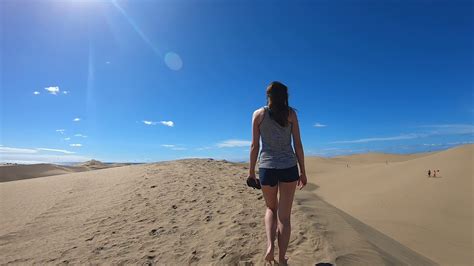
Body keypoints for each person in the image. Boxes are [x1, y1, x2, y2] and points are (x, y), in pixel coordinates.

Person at [248, 81, 307, 265]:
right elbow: (297, 144)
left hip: (267, 168)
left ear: (268, 96)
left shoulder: (258, 114)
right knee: (285, 217)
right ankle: (282, 258)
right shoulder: (291, 114)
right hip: (289, 167)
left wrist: (251, 172)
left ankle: (269, 247)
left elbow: (254, 146)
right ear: (285, 96)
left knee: (270, 208)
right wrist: (303, 171)